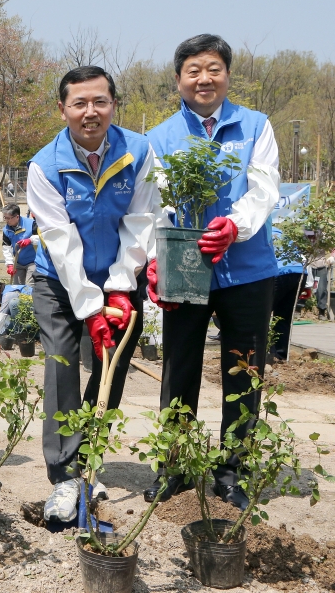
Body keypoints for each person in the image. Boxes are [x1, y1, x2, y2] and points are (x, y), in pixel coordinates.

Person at [146, 34, 280, 510]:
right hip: (186, 264)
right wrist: (156, 259)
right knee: (178, 367)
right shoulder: (159, 137)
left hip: (247, 268)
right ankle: (174, 467)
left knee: (244, 370)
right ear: (179, 79)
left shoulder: (256, 126)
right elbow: (156, 206)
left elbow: (264, 188)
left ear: (227, 75)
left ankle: (232, 471)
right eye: (193, 70)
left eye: (213, 69)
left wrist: (234, 226)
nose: (204, 79)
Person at [27, 65, 159, 523]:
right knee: (62, 362)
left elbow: (141, 222)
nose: (90, 112)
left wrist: (121, 288)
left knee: (111, 366)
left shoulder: (138, 152)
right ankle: (64, 474)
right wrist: (88, 305)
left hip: (117, 277)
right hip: (58, 283)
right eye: (79, 103)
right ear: (62, 109)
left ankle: (88, 458)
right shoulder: (44, 165)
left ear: (113, 104)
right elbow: (60, 242)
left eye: (99, 101)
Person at [271, 228, 305, 361]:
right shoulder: (282, 232)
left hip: (279, 271)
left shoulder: (263, 231)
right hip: (299, 272)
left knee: (260, 314)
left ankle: (257, 352)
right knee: (284, 316)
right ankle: (281, 353)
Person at [1, 204, 39, 285]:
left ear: (17, 217)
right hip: (18, 262)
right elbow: (6, 248)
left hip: (33, 261)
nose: (6, 220)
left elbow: (41, 237)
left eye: (8, 218)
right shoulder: (6, 230)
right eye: (5, 218)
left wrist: (30, 240)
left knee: (30, 285)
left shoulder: (32, 224)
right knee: (17, 286)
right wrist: (10, 265)